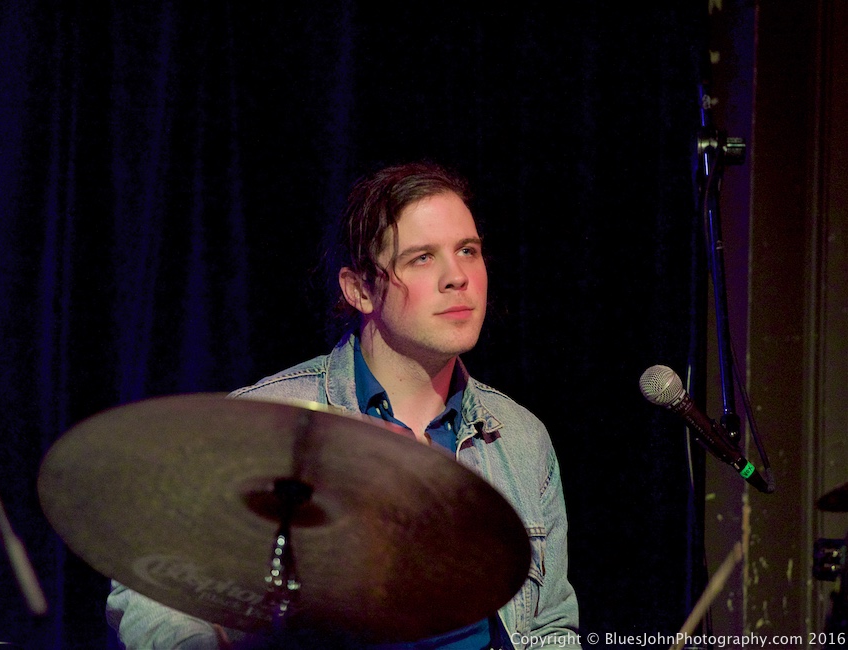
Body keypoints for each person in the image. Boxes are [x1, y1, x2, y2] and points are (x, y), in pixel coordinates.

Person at [106, 161, 580, 649]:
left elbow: (551, 629)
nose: (457, 277)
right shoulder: (265, 419)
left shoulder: (521, 438)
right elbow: (149, 588)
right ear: (359, 290)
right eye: (421, 258)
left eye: (468, 251)